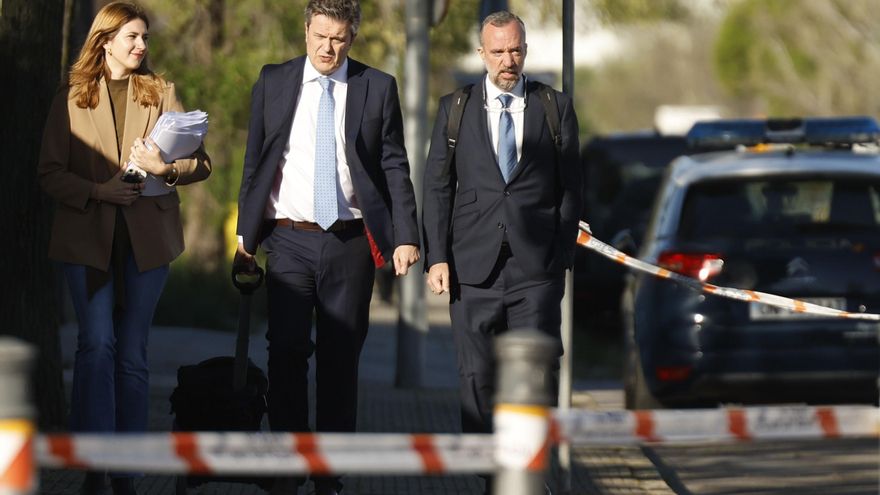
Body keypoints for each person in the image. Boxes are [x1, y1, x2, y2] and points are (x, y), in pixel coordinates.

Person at [233, 0, 420, 493]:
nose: (327, 47)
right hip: (290, 239)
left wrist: (405, 236)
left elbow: (395, 166)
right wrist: (244, 237)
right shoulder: (274, 81)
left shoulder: (376, 87)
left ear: (351, 38)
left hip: (350, 243)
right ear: (306, 31)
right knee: (286, 351)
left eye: (337, 38)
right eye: (320, 36)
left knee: (340, 360)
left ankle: (328, 472)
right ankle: (288, 463)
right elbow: (255, 161)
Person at [37, 2, 211, 494]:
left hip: (146, 244)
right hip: (86, 241)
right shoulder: (70, 96)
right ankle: (94, 463)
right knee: (95, 347)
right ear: (105, 40)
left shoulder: (161, 92)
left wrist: (165, 170)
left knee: (132, 355)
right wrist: (98, 191)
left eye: (145, 38)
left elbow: (202, 163)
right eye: (133, 37)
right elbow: (48, 173)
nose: (142, 46)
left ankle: (126, 472)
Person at [422, 10, 581, 493]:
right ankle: (492, 475)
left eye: (515, 50)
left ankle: (528, 473)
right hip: (473, 267)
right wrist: (437, 257)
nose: (507, 60)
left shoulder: (553, 107)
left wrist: (559, 258)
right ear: (481, 54)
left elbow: (571, 188)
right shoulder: (455, 108)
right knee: (476, 377)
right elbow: (436, 187)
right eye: (497, 51)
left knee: (534, 374)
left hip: (536, 268)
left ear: (526, 49)